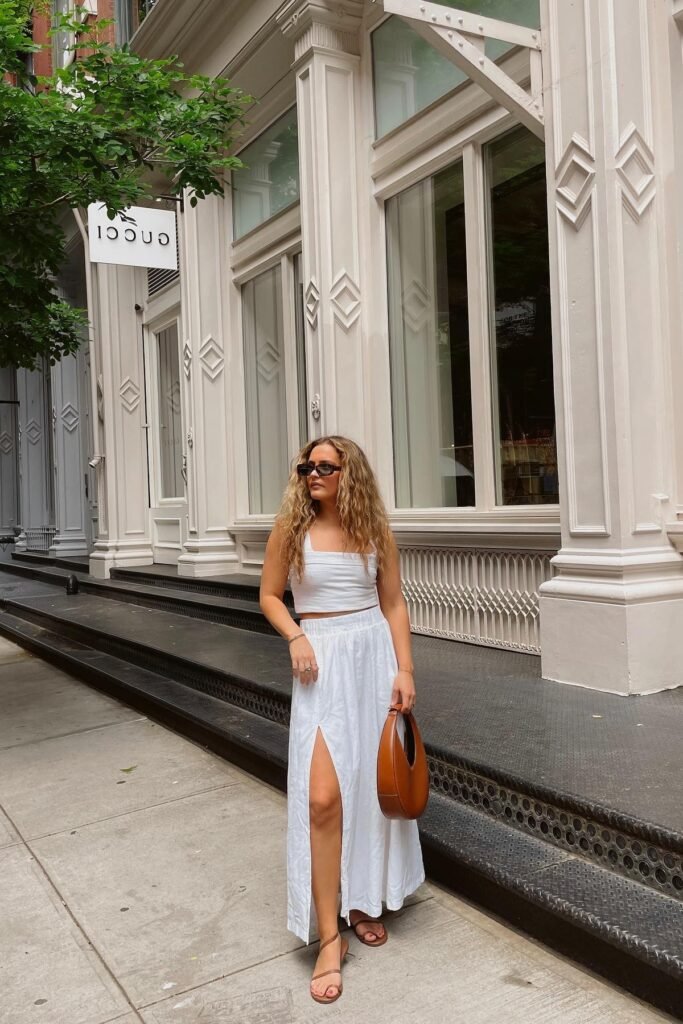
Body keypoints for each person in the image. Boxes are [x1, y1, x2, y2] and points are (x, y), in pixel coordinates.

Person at [260, 435, 425, 1005]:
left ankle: (362, 901)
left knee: (368, 787)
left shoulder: (374, 530)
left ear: (349, 472)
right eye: (307, 466)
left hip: (373, 660)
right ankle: (331, 936)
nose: (313, 473)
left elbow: (394, 603)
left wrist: (404, 671)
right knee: (324, 797)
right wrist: (296, 635)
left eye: (325, 465)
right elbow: (270, 596)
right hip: (321, 664)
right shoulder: (291, 529)